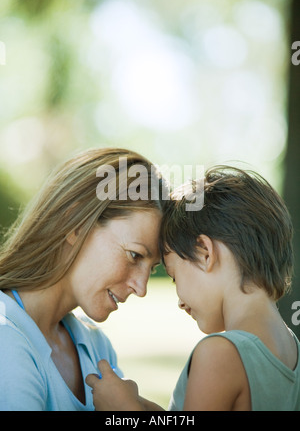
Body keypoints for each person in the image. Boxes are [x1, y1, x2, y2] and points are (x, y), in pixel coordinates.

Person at [86, 165, 300, 411]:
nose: (179, 301)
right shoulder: (292, 351)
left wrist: (123, 409)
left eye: (174, 277)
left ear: (205, 253)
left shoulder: (220, 354)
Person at [0, 147, 166, 411]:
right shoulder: (5, 336)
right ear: (75, 225)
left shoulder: (96, 346)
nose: (141, 287)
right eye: (135, 255)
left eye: (152, 268)